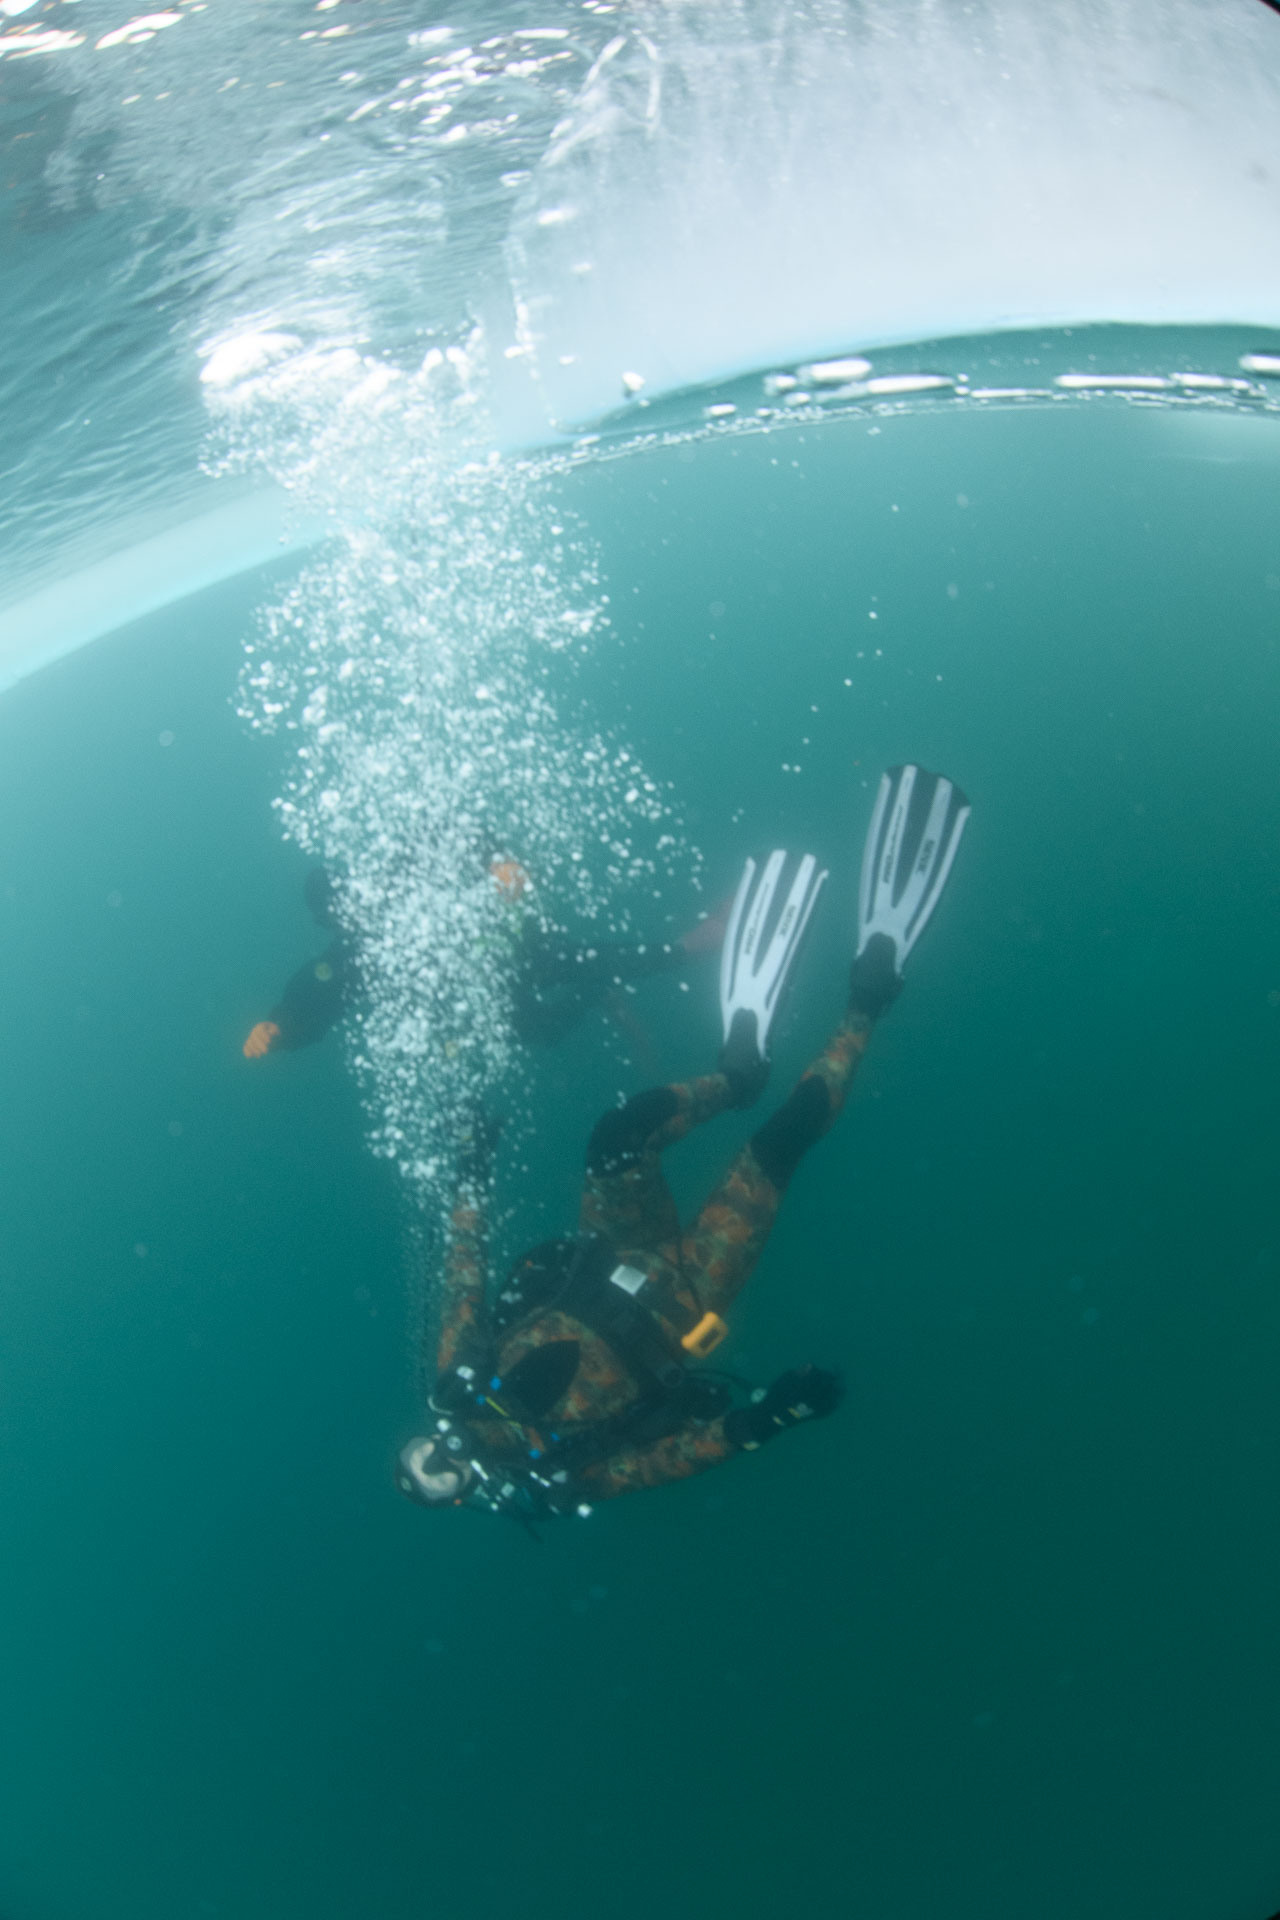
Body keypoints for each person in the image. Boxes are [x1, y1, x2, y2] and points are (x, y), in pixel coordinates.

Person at [395, 765, 971, 1524]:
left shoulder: (458, 1378)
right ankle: (867, 998)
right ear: (467, 1495)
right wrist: (774, 1415)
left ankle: (738, 1075)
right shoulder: (567, 1476)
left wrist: (471, 1172)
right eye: (443, 1483)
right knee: (781, 1141)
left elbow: (463, 1270)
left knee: (615, 1137)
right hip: (689, 1297)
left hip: (611, 1242)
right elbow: (676, 1457)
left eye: (424, 1456)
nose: (446, 1460)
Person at [242, 855, 724, 1059]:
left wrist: (503, 861)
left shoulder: (406, 875)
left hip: (511, 949)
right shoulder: (352, 958)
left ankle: (691, 945)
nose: (349, 915)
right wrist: (279, 1027)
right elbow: (312, 999)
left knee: (589, 958)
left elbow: (458, 834)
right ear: (330, 922)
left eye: (347, 900)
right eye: (335, 915)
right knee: (544, 1031)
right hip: (484, 999)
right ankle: (600, 994)